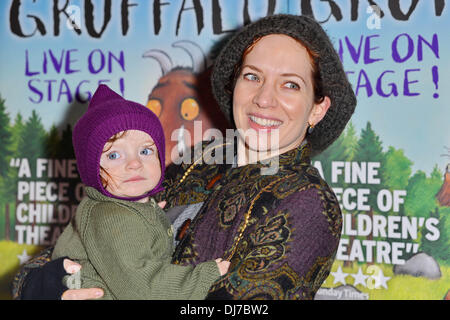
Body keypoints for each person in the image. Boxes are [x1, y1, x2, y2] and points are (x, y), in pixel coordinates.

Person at [12, 14, 356, 300]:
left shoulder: (308, 202)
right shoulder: (198, 163)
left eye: (290, 84)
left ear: (318, 108)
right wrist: (46, 285)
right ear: (233, 85)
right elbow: (92, 232)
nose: (264, 98)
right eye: (252, 76)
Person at [48, 84, 230, 300]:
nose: (134, 163)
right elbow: (143, 288)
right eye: (114, 155)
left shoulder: (127, 207)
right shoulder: (111, 217)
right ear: (90, 170)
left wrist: (150, 214)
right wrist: (204, 275)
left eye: (145, 151)